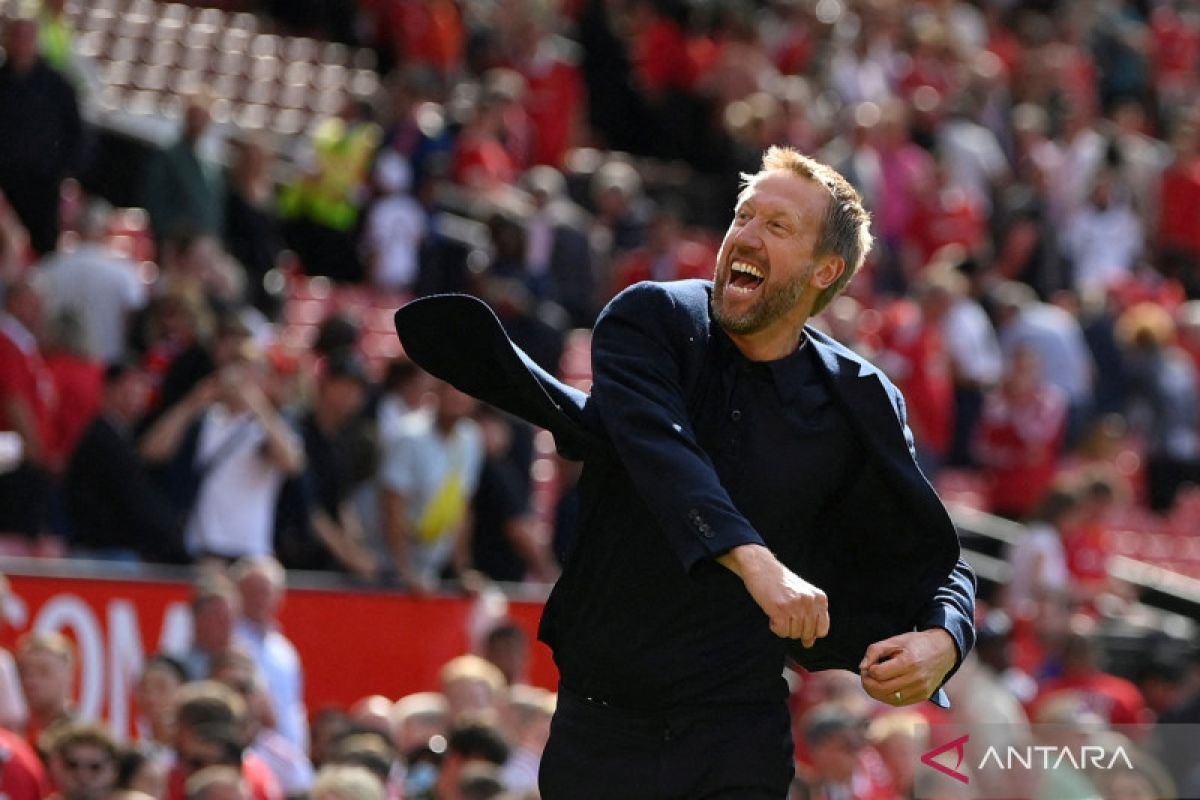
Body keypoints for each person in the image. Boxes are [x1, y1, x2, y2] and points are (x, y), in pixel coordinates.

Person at [395, 146, 975, 798]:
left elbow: (930, 553)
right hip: (603, 729)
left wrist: (944, 640)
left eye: (777, 226)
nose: (746, 235)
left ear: (825, 269)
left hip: (740, 734)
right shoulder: (654, 320)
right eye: (743, 216)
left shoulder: (859, 397)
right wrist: (757, 563)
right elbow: (666, 459)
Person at [0, 13, 84, 256]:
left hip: (43, 183)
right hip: (5, 183)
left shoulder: (58, 86)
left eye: (27, 38)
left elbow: (75, 134)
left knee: (43, 247)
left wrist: (63, 169)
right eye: (17, 37)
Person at [32, 198, 147, 363]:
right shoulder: (123, 271)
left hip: (57, 361)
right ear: (107, 230)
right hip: (106, 361)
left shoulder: (49, 267)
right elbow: (134, 317)